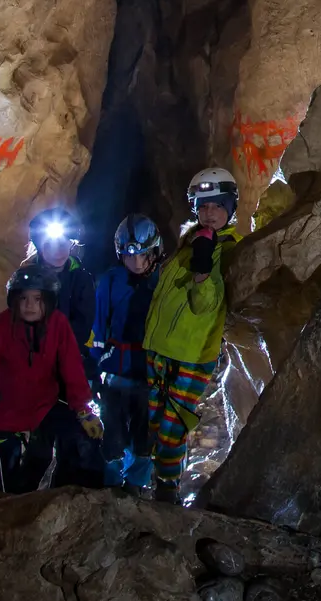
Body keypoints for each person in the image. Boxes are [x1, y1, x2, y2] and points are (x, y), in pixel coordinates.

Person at [0, 268, 101, 493]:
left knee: (41, 457)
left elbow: (71, 368)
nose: (30, 305)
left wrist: (83, 409)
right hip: (4, 408)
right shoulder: (4, 325)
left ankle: (41, 504)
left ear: (49, 301)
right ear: (13, 300)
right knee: (6, 475)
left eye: (37, 299)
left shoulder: (57, 325)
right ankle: (5, 512)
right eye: (23, 298)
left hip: (41, 405)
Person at [142, 167, 240, 502]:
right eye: (204, 206)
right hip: (160, 349)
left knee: (171, 427)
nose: (210, 213)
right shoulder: (190, 242)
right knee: (157, 423)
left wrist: (203, 270)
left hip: (191, 354)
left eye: (218, 205)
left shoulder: (228, 249)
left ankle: (167, 491)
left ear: (230, 208)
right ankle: (163, 476)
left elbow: (205, 305)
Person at [9, 206, 105, 485]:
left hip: (70, 371)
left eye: (65, 241)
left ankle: (61, 501)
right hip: (34, 372)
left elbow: (82, 325)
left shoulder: (81, 279)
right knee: (37, 444)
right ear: (39, 244)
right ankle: (19, 500)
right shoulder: (24, 279)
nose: (59, 249)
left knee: (71, 443)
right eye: (51, 242)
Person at [94, 214, 162, 488]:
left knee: (144, 435)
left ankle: (136, 487)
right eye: (129, 256)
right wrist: (94, 368)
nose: (136, 262)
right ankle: (111, 486)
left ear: (154, 252)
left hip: (149, 372)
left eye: (143, 255)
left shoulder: (162, 281)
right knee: (112, 432)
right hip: (117, 372)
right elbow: (99, 327)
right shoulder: (111, 281)